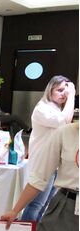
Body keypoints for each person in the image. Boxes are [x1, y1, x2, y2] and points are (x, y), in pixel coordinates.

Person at [20, 75, 75, 222]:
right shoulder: (42, 109)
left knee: (44, 205)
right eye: (60, 90)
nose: (64, 94)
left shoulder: (57, 108)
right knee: (36, 204)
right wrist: (71, 95)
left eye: (65, 91)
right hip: (42, 163)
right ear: (50, 90)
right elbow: (64, 121)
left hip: (55, 164)